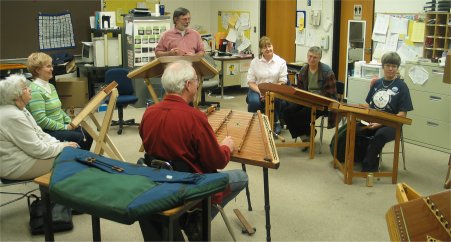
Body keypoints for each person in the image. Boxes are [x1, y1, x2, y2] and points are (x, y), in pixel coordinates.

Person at [139, 60, 248, 240]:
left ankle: (191, 216)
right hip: (191, 186)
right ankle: (197, 217)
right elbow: (217, 161)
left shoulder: (149, 113)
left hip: (160, 183)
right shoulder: (195, 117)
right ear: (188, 85)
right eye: (196, 80)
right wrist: (226, 147)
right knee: (242, 177)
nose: (198, 84)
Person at [0, 74, 78, 180]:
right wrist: (62, 146)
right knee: (73, 158)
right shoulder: (13, 115)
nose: (29, 89)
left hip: (26, 157)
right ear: (16, 95)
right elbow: (37, 150)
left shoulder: (21, 108)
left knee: (72, 151)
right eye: (25, 88)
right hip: (17, 166)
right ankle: (54, 194)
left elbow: (39, 133)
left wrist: (58, 144)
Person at [358, 52, 413, 172]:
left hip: (392, 123)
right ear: (383, 66)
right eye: (388, 65)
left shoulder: (402, 87)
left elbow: (402, 114)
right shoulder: (377, 83)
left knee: (379, 136)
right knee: (354, 128)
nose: (391, 69)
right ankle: (357, 158)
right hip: (373, 118)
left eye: (394, 66)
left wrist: (380, 123)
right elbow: (369, 104)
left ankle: (368, 167)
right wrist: (359, 108)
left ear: (397, 68)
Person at [26, 52, 93, 151]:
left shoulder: (51, 86)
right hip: (47, 131)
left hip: (59, 126)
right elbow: (41, 121)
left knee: (88, 134)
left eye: (51, 66)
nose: (52, 69)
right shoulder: (35, 90)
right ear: (38, 70)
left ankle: (81, 160)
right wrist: (65, 127)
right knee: (81, 139)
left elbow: (59, 110)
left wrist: (71, 122)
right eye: (48, 66)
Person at [283, 46, 337, 141]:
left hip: (321, 103)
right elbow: (300, 90)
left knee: (301, 115)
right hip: (305, 100)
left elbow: (330, 95)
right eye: (310, 56)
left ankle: (307, 135)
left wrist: (315, 96)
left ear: (319, 58)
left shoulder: (327, 72)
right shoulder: (303, 70)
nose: (311, 59)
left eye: (315, 57)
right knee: (287, 111)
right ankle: (306, 134)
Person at [247, 36, 288, 134]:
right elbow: (251, 82)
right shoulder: (254, 62)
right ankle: (253, 124)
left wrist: (270, 92)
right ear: (261, 50)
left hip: (275, 89)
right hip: (257, 88)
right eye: (264, 47)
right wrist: (261, 93)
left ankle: (275, 122)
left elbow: (283, 81)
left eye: (269, 46)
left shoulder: (281, 62)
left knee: (276, 99)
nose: (268, 49)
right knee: (254, 102)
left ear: (272, 46)